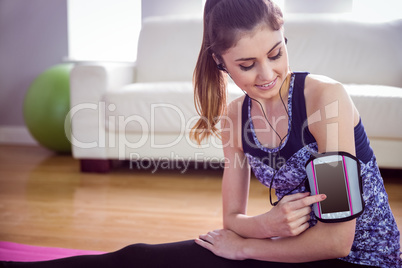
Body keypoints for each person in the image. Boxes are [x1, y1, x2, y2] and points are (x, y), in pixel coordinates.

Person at [1, 0, 401, 267]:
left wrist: (246, 244)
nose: (267, 74)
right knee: (141, 257)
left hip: (362, 260)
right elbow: (231, 218)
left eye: (276, 53)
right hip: (281, 248)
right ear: (221, 62)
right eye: (247, 64)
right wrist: (265, 226)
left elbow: (337, 241)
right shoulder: (235, 117)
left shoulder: (325, 101)